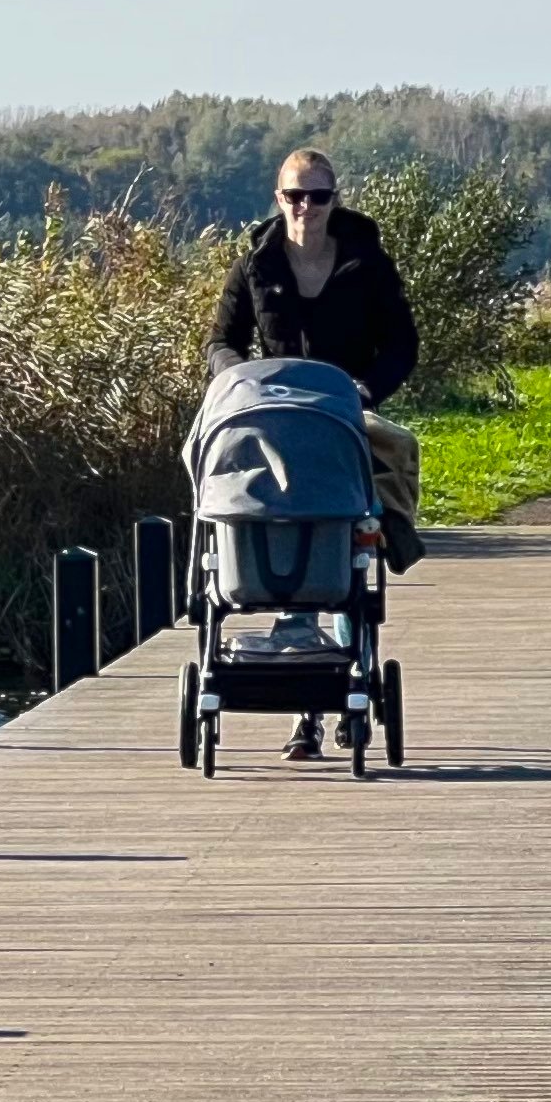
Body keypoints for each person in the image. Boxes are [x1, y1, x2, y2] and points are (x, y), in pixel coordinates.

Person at [205, 148, 425, 759]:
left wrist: (367, 388)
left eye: (318, 196)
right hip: (273, 415)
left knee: (388, 463)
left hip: (345, 411)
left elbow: (403, 343)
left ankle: (395, 528)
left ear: (336, 200)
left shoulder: (366, 262)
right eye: (295, 196)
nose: (306, 208)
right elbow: (222, 340)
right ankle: (307, 708)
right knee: (290, 532)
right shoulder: (256, 262)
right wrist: (242, 381)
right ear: (278, 199)